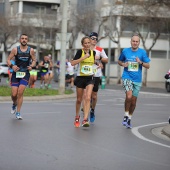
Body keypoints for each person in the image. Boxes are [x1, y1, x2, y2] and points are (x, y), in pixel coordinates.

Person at [118, 34, 150, 128]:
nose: (135, 43)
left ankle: (129, 118)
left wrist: (140, 62)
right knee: (129, 96)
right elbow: (119, 61)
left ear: (139, 43)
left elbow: (148, 66)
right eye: (133, 41)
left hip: (137, 79)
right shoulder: (125, 51)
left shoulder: (142, 52)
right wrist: (123, 64)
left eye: (137, 41)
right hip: (127, 76)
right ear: (130, 42)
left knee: (133, 101)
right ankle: (125, 115)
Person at [7, 34, 36, 120]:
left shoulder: (31, 50)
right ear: (20, 40)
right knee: (14, 94)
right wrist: (12, 66)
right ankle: (14, 103)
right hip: (16, 74)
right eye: (22, 38)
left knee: (20, 92)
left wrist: (31, 66)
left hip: (25, 74)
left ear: (27, 40)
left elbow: (34, 60)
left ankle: (18, 112)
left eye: (26, 39)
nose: (24, 40)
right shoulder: (15, 49)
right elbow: (8, 59)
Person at [71, 36, 96, 127]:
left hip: (90, 78)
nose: (87, 45)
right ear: (82, 44)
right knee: (79, 99)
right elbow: (73, 63)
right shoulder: (79, 52)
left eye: (88, 43)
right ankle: (77, 117)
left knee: (88, 98)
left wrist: (96, 67)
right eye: (85, 43)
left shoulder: (93, 52)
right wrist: (83, 57)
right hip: (80, 77)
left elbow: (92, 64)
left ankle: (85, 119)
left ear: (90, 44)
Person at [88, 32, 108, 122]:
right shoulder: (85, 49)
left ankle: (92, 110)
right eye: (92, 38)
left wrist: (99, 58)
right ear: (89, 39)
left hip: (96, 74)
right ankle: (85, 111)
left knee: (94, 96)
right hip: (86, 74)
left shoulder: (99, 49)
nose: (94, 40)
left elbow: (106, 60)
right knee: (87, 95)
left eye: (96, 39)